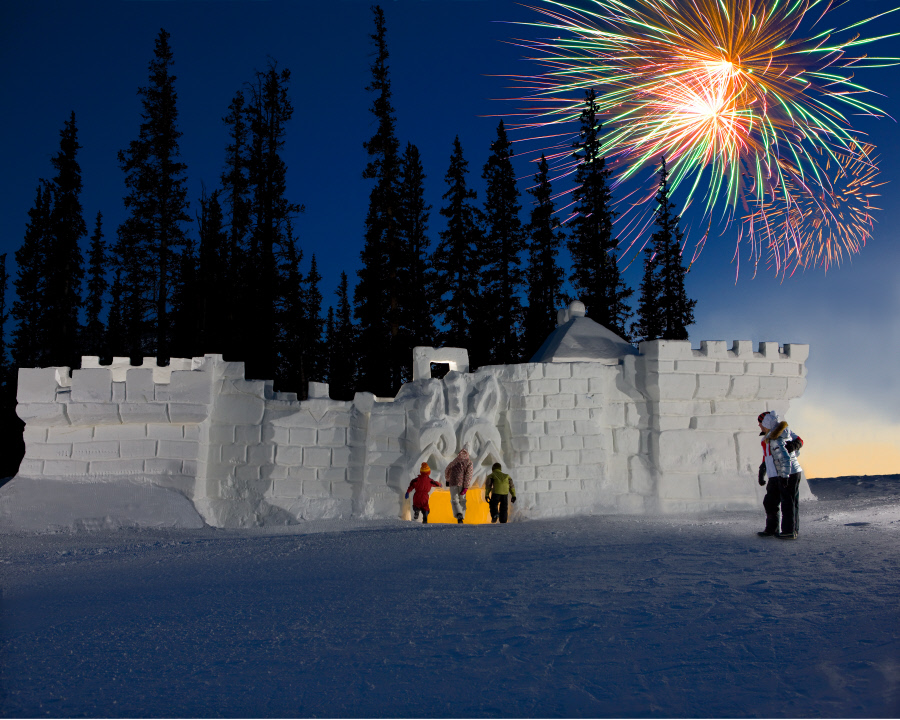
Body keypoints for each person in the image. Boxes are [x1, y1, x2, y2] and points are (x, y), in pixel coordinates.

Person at [757, 411, 804, 540]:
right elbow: (767, 456)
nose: (759, 426)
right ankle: (772, 529)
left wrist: (793, 446)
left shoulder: (781, 434)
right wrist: (762, 470)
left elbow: (798, 441)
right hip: (775, 474)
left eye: (760, 423)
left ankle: (790, 530)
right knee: (770, 502)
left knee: (788, 502)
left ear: (766, 422)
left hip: (788, 472)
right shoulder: (767, 437)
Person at [443, 447, 473, 524]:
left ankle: (458, 513)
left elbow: (447, 469)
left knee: (454, 499)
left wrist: (447, 479)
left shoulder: (455, 461)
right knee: (462, 500)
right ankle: (461, 515)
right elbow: (468, 475)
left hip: (453, 482)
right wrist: (466, 487)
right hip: (462, 484)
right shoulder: (469, 462)